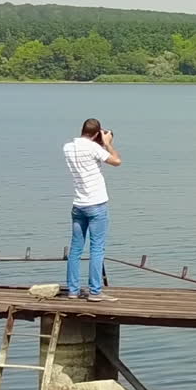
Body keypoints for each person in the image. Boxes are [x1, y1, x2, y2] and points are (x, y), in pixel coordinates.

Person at [64, 118, 121, 301]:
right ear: (97, 134)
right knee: (97, 248)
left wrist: (99, 143)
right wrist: (107, 143)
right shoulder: (95, 148)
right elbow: (116, 161)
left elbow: (86, 153)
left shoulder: (68, 148)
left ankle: (73, 290)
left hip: (78, 205)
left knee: (76, 249)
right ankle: (95, 292)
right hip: (96, 204)